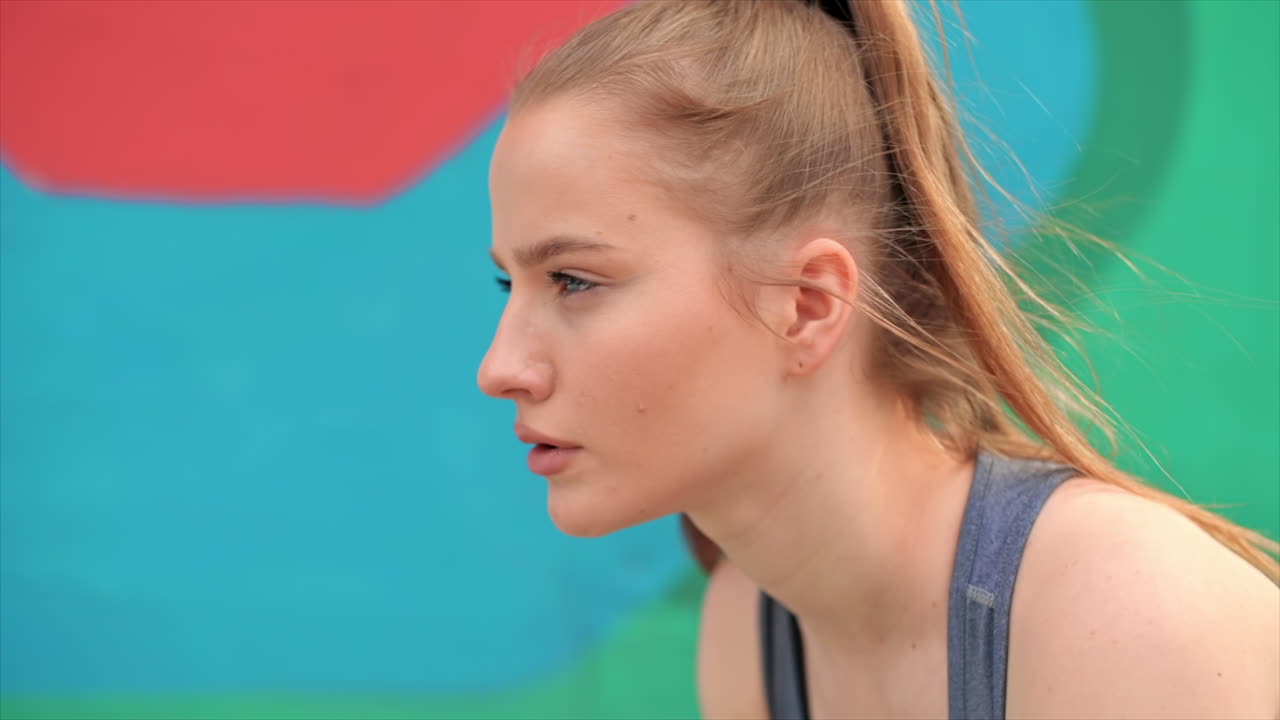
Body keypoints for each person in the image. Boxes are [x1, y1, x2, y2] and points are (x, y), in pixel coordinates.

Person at [476, 0, 1280, 717]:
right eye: (509, 283)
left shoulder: (1129, 622)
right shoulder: (749, 631)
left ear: (808, 304)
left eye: (574, 280)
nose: (500, 366)